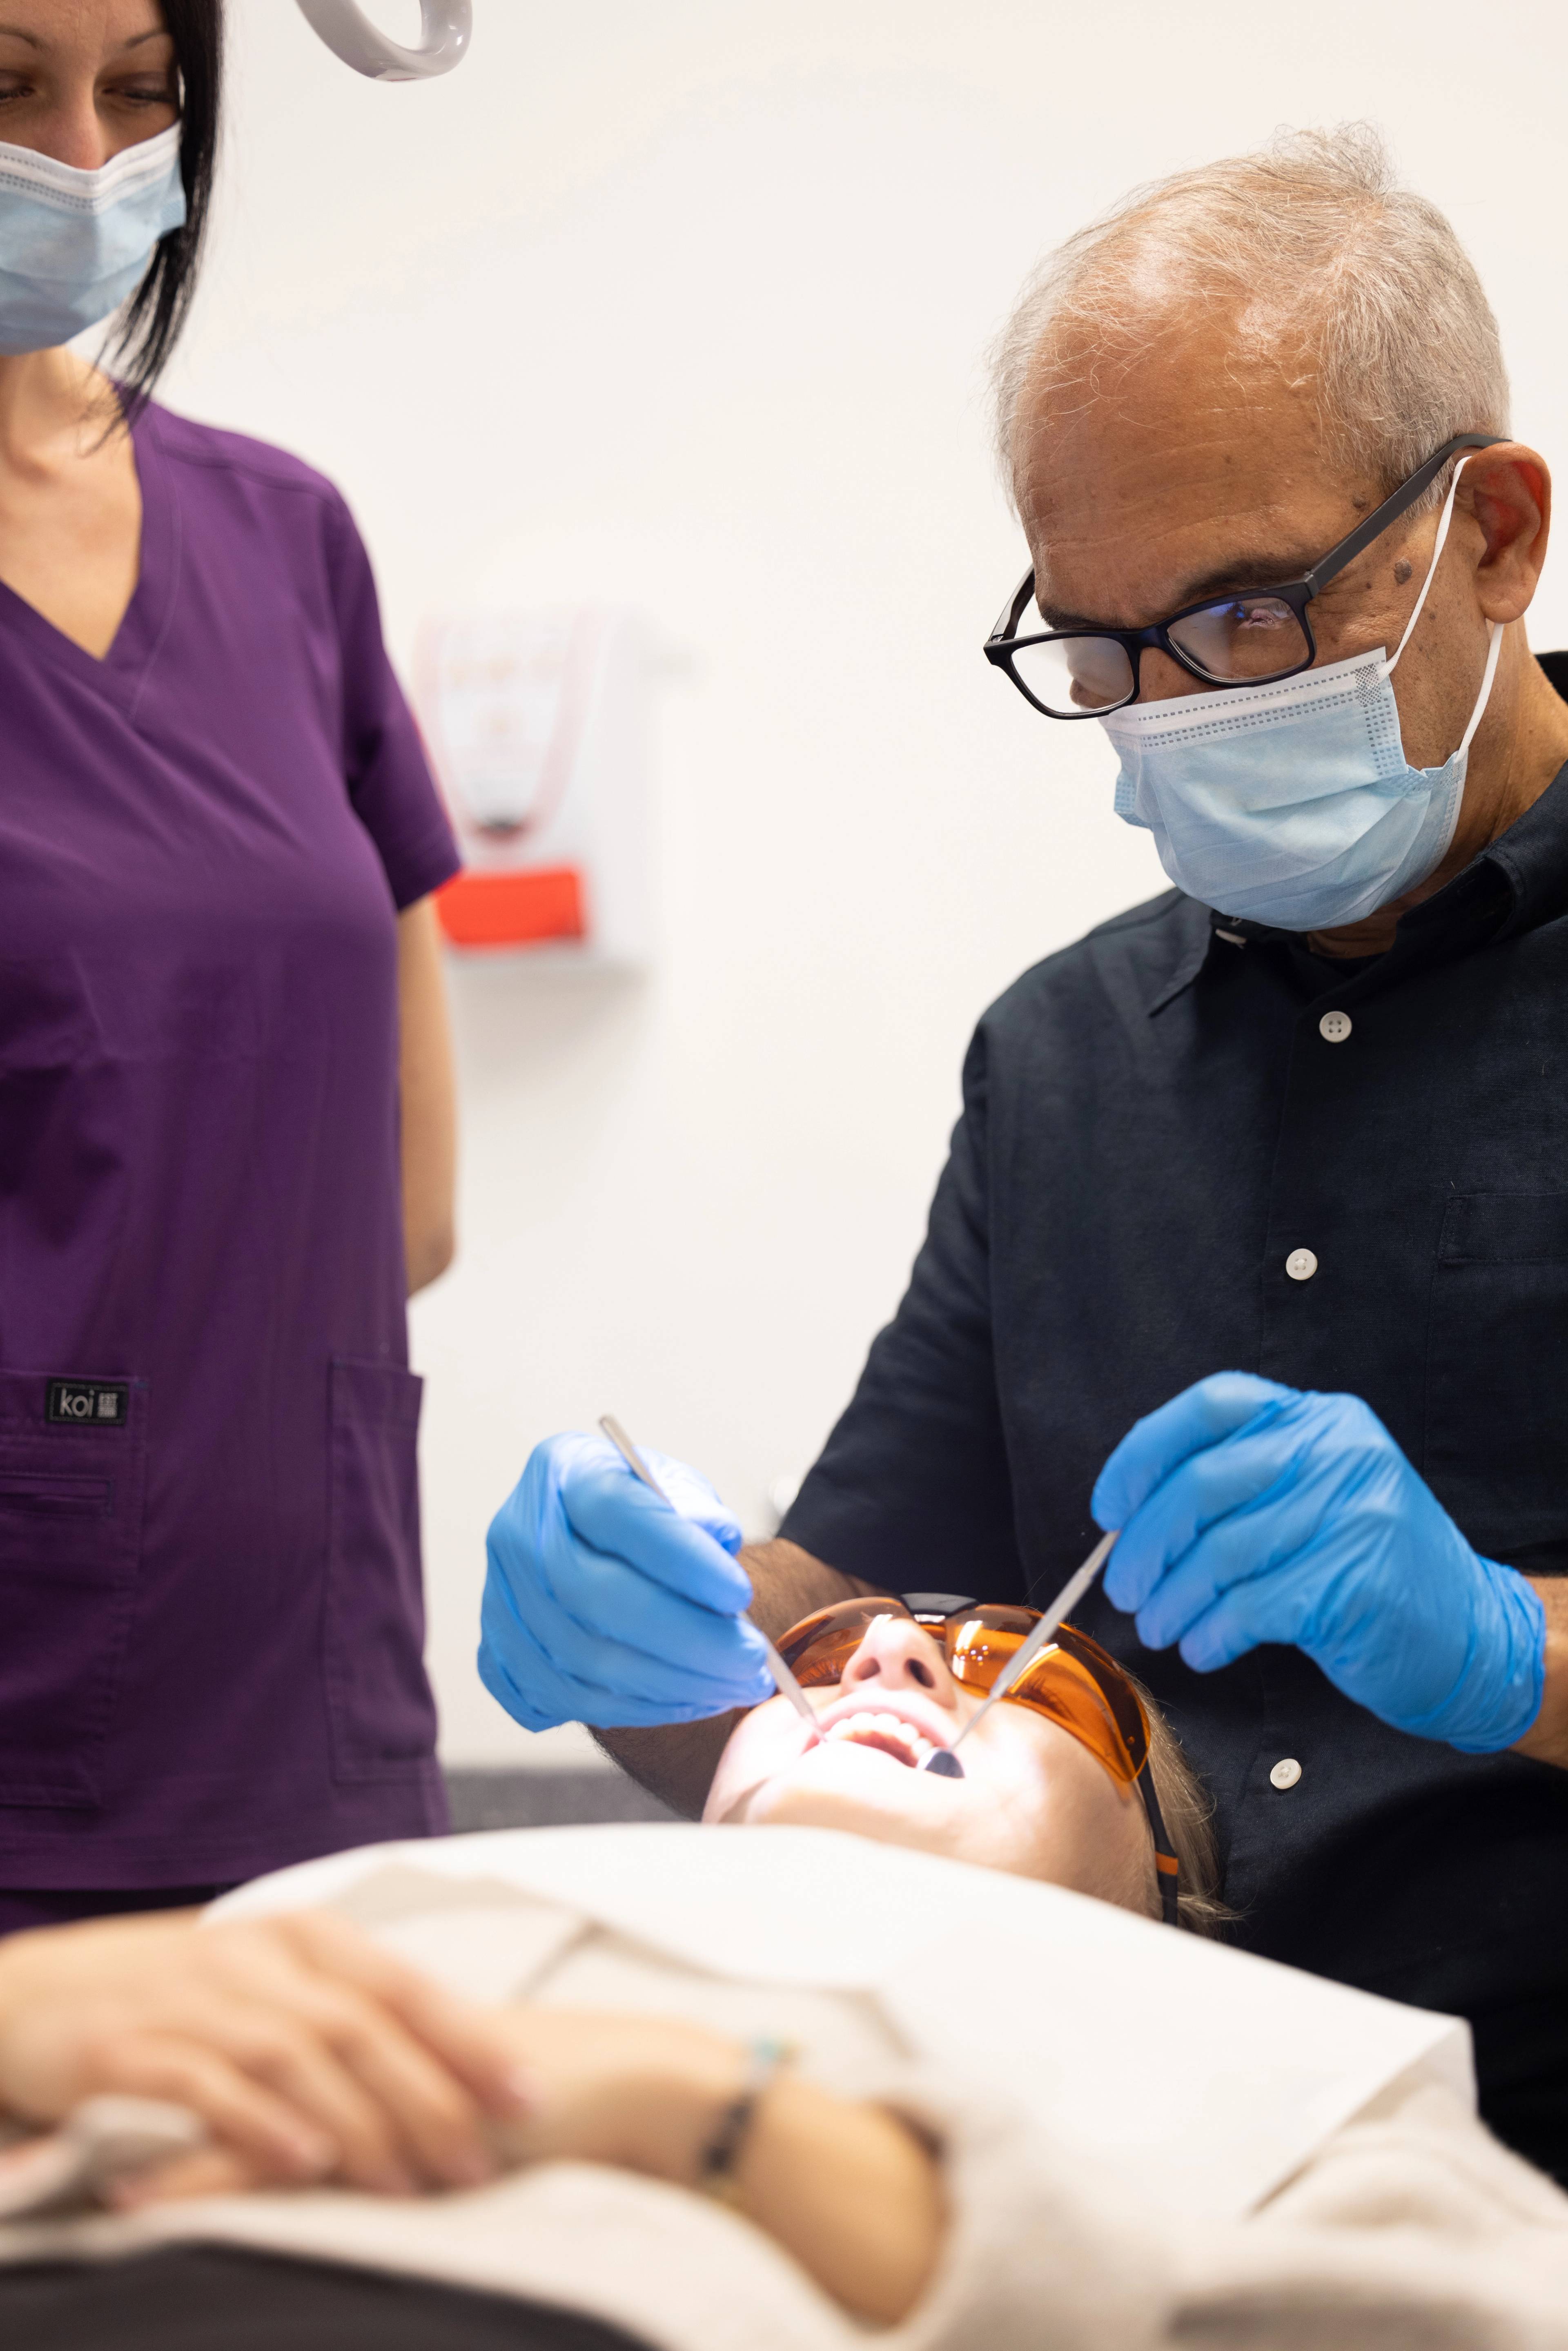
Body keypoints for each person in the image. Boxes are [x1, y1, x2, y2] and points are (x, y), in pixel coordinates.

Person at [477, 126, 1568, 2186]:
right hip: (1114, 2170)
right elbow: (843, 1602)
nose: (1171, 710)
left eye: (1243, 618)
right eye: (1098, 649)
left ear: (1491, 537)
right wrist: (685, 1621)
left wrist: (1514, 1647)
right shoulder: (1067, 1060)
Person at [0, 1606, 1562, 2351]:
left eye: (1041, 1679)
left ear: (1167, 1890)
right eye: (818, 1658)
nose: (886, 1656)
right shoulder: (395, 1907)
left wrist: (713, 2122)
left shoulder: (1287, 2078)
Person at [0, 0, 460, 1932]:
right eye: (9, 88)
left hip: (315, 1661)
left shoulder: (289, 538)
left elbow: (412, 1206)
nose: (90, 156)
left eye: (140, 93)